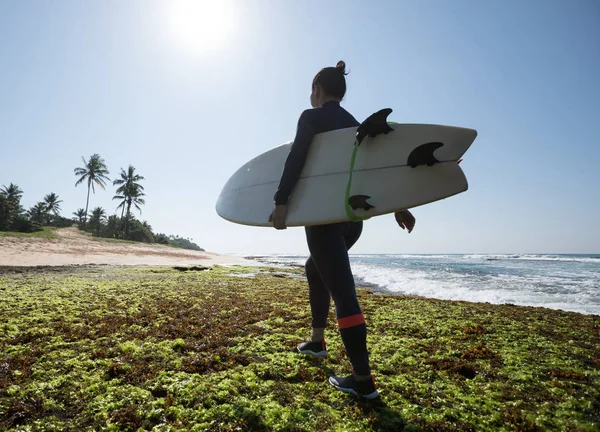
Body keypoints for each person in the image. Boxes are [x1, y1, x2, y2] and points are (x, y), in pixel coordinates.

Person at [268, 61, 416, 399]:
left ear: (317, 91)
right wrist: (399, 205)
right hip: (352, 221)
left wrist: (281, 200)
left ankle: (362, 381)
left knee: (344, 292)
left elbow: (297, 158)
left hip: (323, 221)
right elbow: (374, 170)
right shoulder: (354, 124)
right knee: (314, 268)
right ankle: (317, 341)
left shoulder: (311, 118)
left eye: (310, 89)